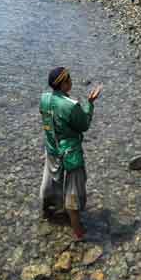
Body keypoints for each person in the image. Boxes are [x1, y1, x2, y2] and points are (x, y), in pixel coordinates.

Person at [39, 67, 101, 241]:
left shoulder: (44, 99)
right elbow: (84, 125)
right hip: (70, 152)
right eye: (69, 79)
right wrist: (90, 103)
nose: (71, 81)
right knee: (73, 191)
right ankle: (78, 231)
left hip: (52, 148)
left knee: (49, 182)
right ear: (64, 83)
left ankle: (47, 213)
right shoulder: (71, 106)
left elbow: (45, 119)